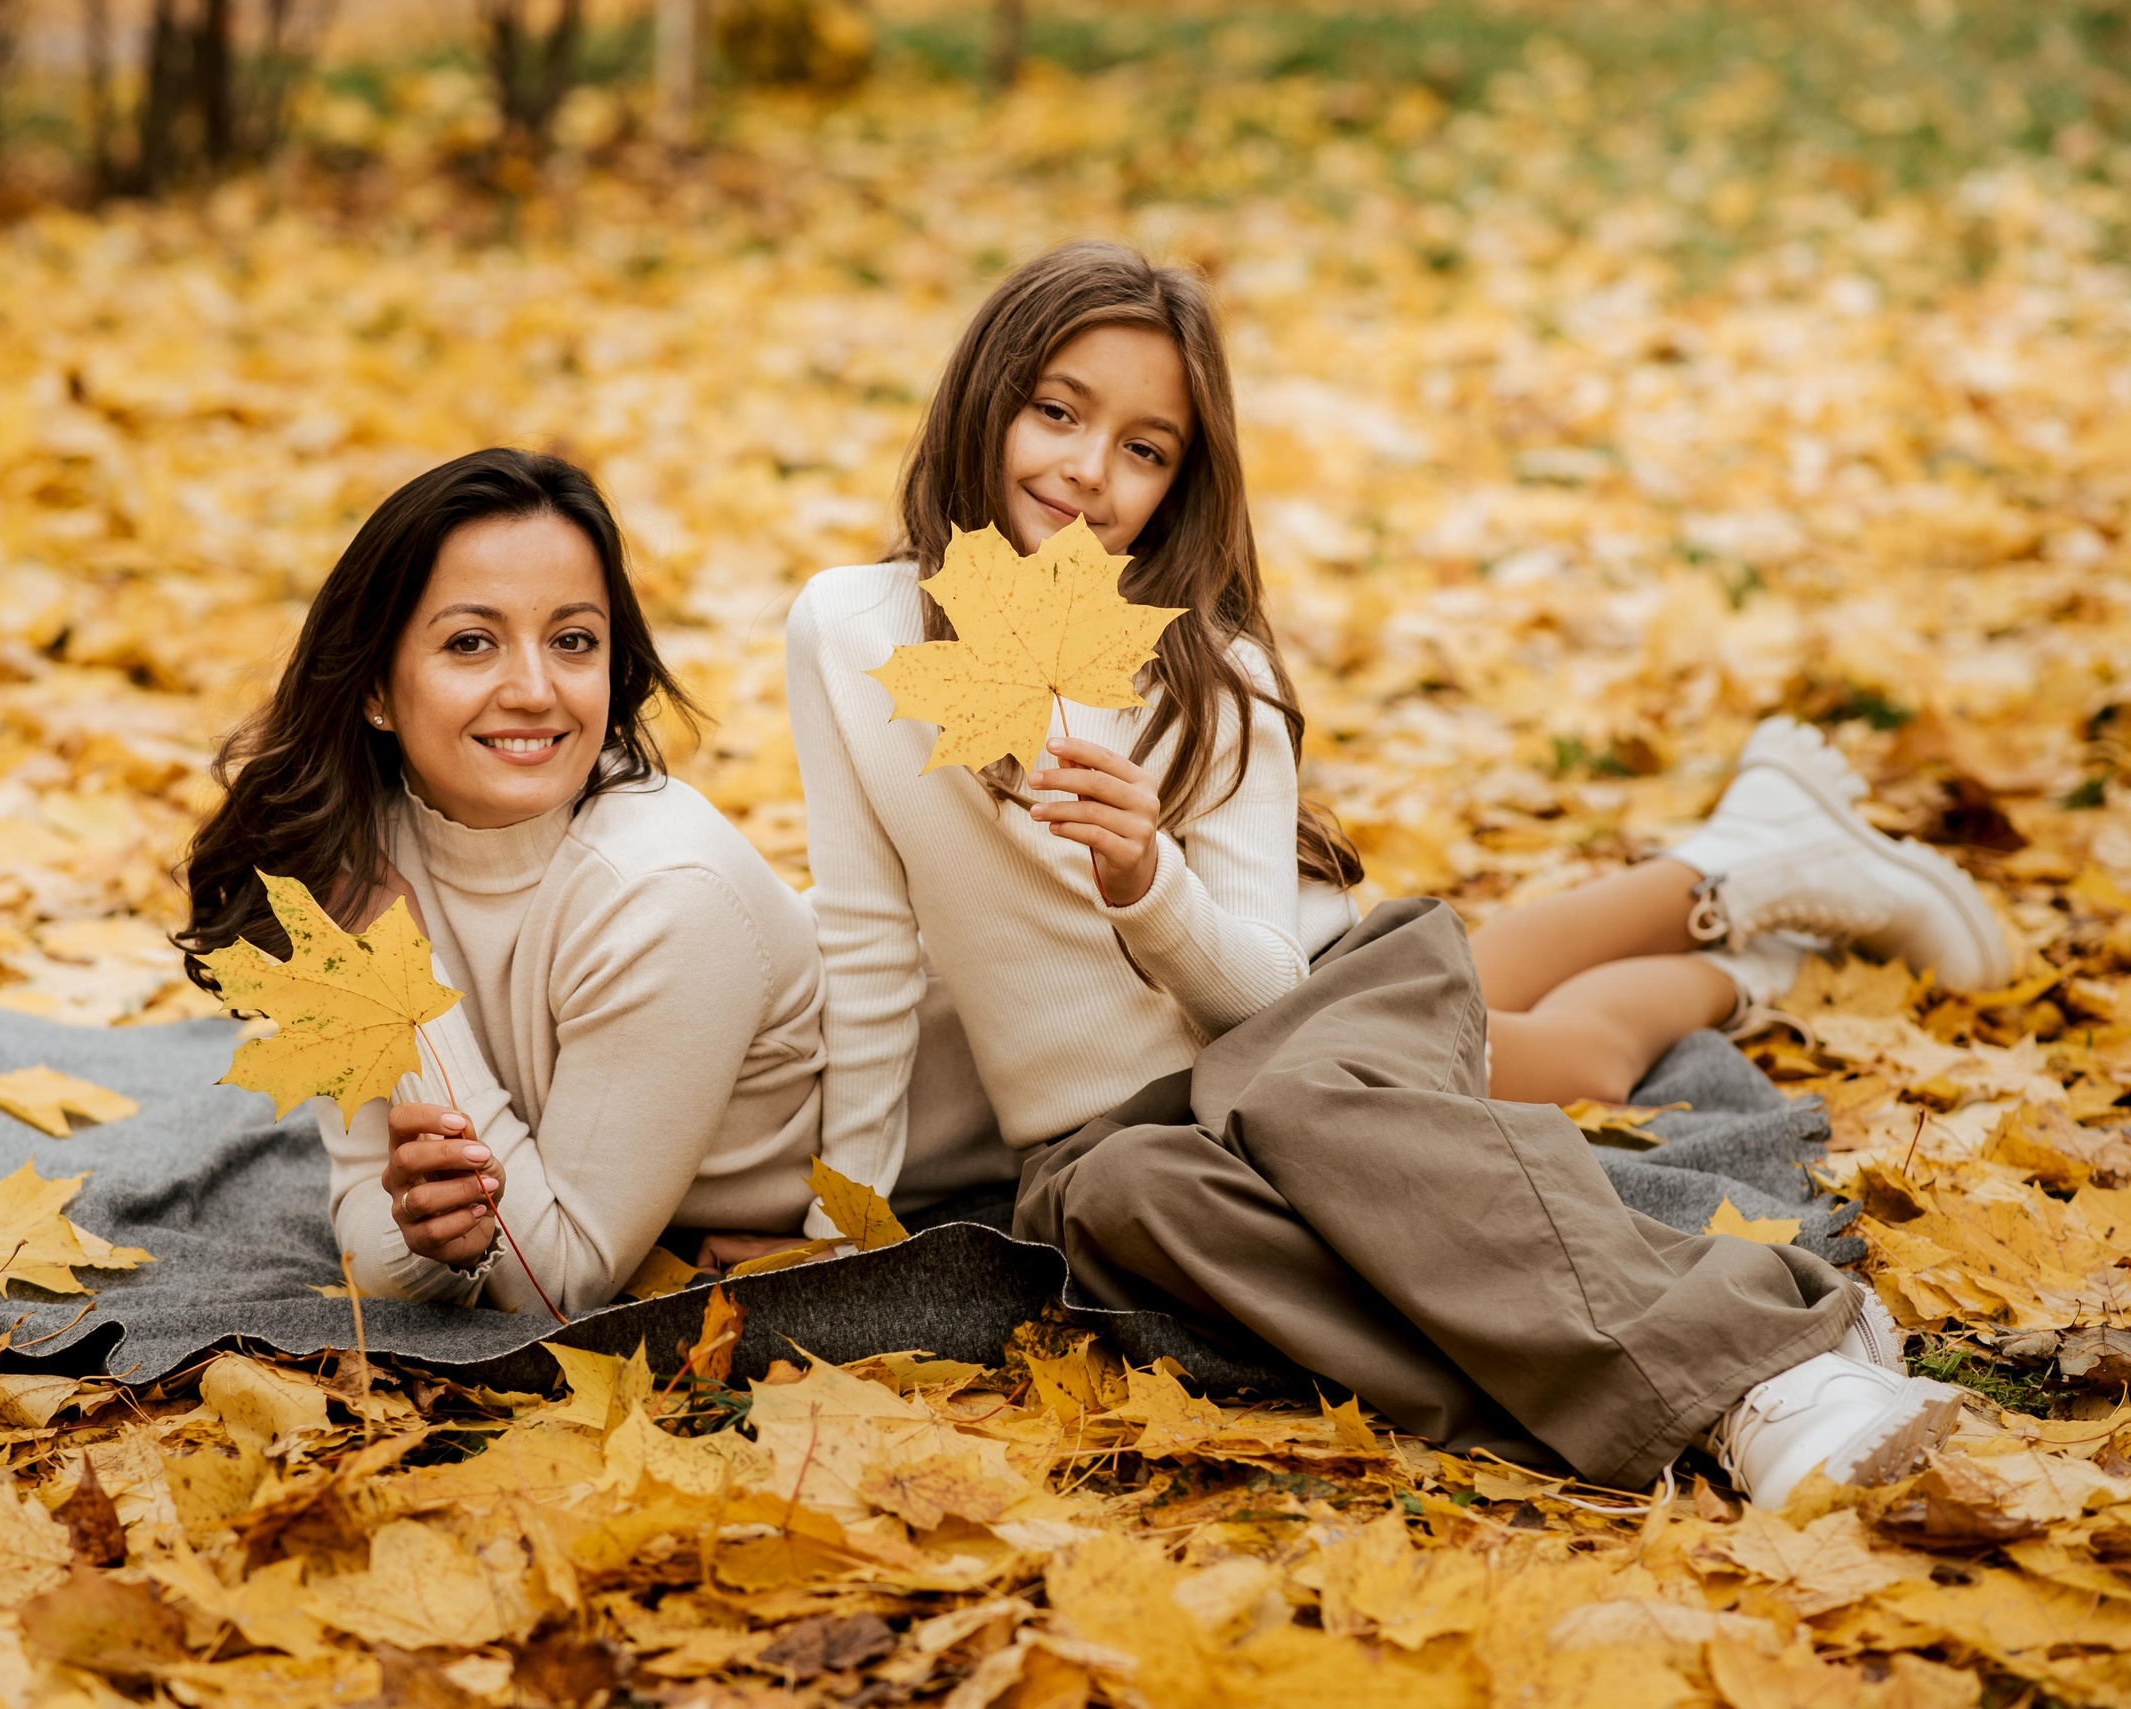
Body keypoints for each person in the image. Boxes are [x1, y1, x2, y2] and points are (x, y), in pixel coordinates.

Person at [786, 240, 2008, 1504]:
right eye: (1056, 410)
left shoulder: (1213, 674)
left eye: (1146, 449)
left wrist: (1145, 879)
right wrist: (840, 1236)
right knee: (1130, 1194)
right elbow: (867, 944)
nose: (1089, 472)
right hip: (1117, 1126)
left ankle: (1761, 1370)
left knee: (1426, 1077)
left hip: (1303, 1009)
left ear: (1180, 483)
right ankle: (1738, 988)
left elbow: (1262, 998)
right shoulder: (844, 629)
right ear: (983, 396)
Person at [179, 449, 825, 1316]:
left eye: (572, 640)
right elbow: (368, 1204)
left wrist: (402, 971)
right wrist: (424, 1240)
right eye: (470, 642)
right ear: (375, 685)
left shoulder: (665, 892)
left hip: (990, 1121)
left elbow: (555, 1283)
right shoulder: (346, 857)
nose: (532, 689)